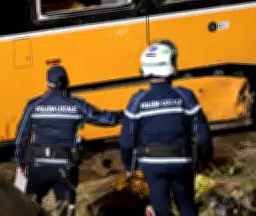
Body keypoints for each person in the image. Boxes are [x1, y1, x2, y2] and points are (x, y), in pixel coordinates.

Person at [120, 40, 213, 216]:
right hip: (181, 161)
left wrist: (128, 166)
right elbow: (203, 135)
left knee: (161, 208)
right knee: (186, 206)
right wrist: (203, 161)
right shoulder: (185, 96)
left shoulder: (137, 100)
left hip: (151, 163)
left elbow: (126, 140)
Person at [15, 65, 122, 214]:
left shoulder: (33, 105)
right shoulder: (77, 105)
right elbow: (103, 119)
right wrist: (125, 116)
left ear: (47, 83)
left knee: (29, 209)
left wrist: (21, 161)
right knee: (66, 210)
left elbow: (21, 136)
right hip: (65, 167)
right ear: (67, 82)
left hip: (38, 166)